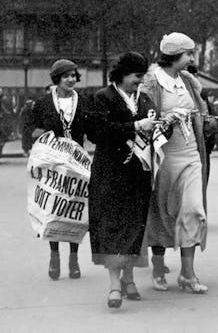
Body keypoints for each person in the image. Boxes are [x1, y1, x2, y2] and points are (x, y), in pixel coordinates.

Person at [142, 32, 216, 294]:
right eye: (188, 54)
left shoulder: (188, 81)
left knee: (194, 210)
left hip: (191, 153)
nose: (192, 58)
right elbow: (144, 120)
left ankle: (187, 274)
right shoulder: (151, 83)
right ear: (174, 55)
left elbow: (201, 114)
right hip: (164, 157)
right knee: (161, 212)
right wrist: (167, 118)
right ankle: (159, 265)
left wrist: (211, 121)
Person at [87, 52, 157, 309]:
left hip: (138, 172)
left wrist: (163, 127)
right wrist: (136, 126)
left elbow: (155, 131)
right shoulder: (102, 98)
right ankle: (115, 284)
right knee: (112, 226)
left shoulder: (146, 99)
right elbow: (98, 133)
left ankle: (128, 277)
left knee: (134, 225)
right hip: (110, 172)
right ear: (122, 74)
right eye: (136, 77)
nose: (139, 82)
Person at [28, 59, 90, 280]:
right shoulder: (44, 103)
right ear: (57, 79)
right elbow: (32, 128)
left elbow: (91, 129)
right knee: (53, 208)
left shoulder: (83, 101)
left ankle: (74, 258)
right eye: (66, 76)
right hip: (52, 164)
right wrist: (37, 137)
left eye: (74, 75)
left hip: (77, 164)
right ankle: (54, 255)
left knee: (75, 209)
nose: (71, 79)